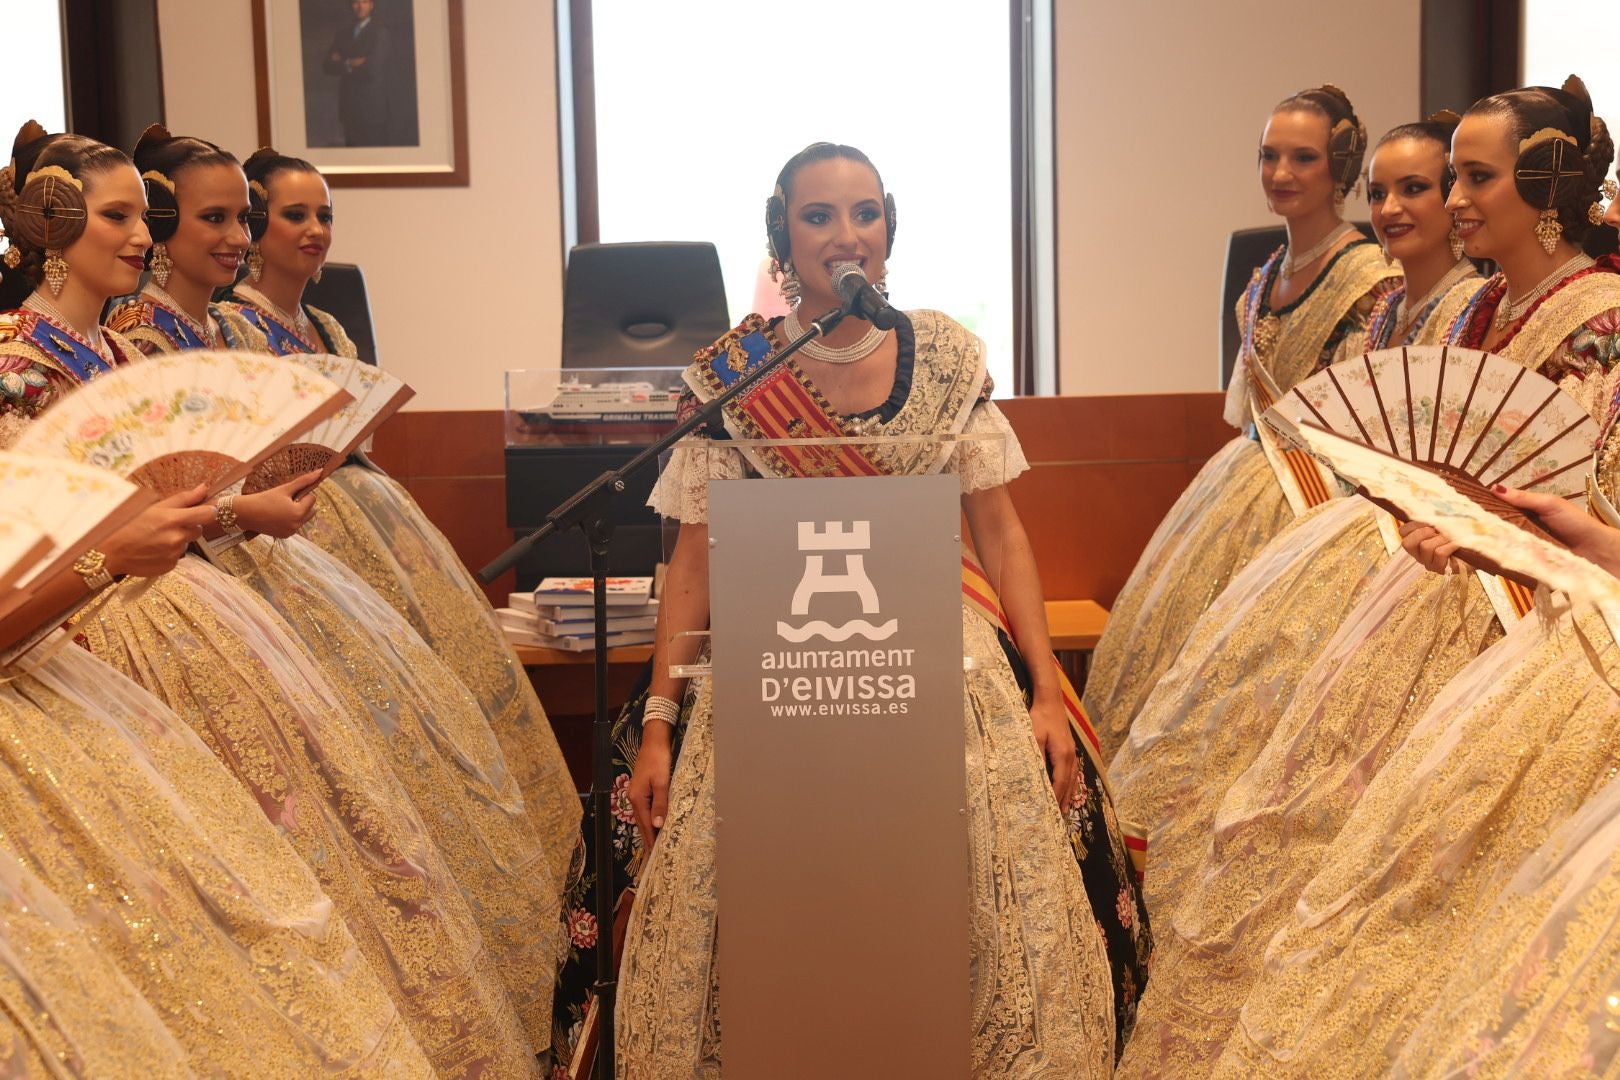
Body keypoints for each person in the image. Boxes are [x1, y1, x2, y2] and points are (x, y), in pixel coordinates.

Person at [608, 142, 1150, 1078]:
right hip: (778, 672)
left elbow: (1002, 533)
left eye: (865, 212)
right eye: (818, 215)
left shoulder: (943, 355)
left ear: (890, 229)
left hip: (937, 661)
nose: (845, 233)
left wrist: (1051, 692)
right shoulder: (736, 374)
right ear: (783, 236)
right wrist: (659, 719)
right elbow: (693, 561)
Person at [83, 125, 546, 1077]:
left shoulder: (206, 330)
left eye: (243, 218)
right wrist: (237, 502)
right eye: (216, 217)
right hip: (183, 591)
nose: (241, 235)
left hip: (274, 554)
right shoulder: (140, 337)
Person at [0, 126, 435, 1074]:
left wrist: (229, 508)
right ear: (50, 224)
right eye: (115, 218)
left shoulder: (116, 346)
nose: (137, 240)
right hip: (100, 635)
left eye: (138, 219)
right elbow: (32, 549)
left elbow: (171, 497)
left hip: (175, 597)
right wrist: (115, 558)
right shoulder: (16, 363)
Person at [1208, 78, 1620, 1079]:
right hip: (1444, 580)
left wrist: (1503, 534)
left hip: (1545, 608)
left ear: (1546, 185)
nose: (1455, 198)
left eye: (1474, 178)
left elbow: (1591, 496)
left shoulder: (1600, 320)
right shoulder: (1477, 304)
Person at [1105, 114, 1485, 938]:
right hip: (1275, 481)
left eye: (1416, 188)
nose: (1282, 171)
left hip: (1358, 513)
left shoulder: (1405, 294)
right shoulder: (1287, 278)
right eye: (1269, 155)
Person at [219, 146, 580, 954]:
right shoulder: (230, 324)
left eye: (324, 215)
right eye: (294, 215)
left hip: (374, 510)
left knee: (460, 672)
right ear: (254, 226)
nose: (314, 231)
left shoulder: (330, 321)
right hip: (302, 526)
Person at [1084, 85, 1399, 759]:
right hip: (1240, 478)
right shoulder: (1262, 274)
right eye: (1269, 155)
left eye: (1303, 158)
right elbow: (1244, 408)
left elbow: (1364, 419)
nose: (1281, 174)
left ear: (1340, 170)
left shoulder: (1369, 279)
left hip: (1317, 495)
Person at [323, 0, 393, 147]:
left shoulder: (380, 32)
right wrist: (352, 62)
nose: (360, 6)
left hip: (372, 107)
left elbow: (372, 68)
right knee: (352, 154)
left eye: (364, 2)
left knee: (373, 157)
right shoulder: (343, 34)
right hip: (349, 106)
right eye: (356, 2)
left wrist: (343, 61)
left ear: (371, 5)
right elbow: (328, 66)